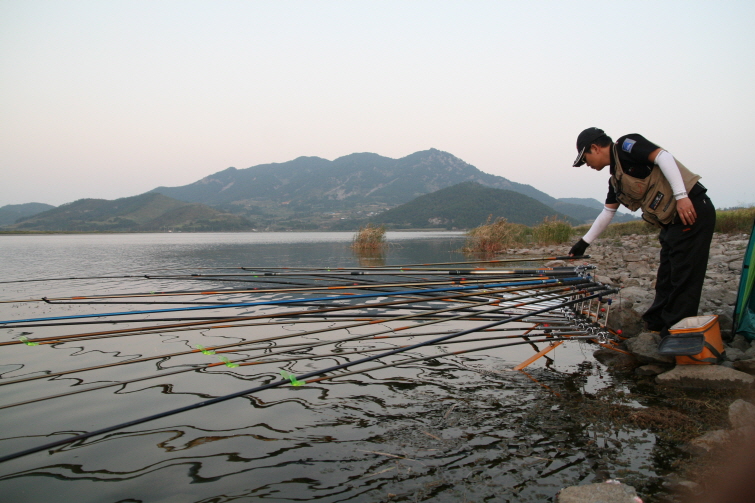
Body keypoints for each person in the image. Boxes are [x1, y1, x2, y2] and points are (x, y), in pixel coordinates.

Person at [568, 127, 715, 337]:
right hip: (671, 223)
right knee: (666, 275)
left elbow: (663, 157)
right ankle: (655, 323)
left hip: (691, 209)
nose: (587, 164)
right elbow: (607, 213)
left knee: (685, 276)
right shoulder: (616, 180)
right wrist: (583, 243)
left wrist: (682, 196)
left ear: (595, 148)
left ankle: (677, 334)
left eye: (586, 158)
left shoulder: (627, 145)